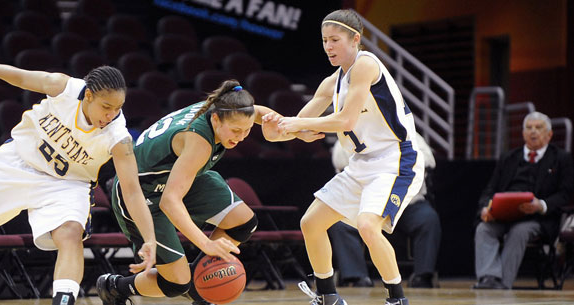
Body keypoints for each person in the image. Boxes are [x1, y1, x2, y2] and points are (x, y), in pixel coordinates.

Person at [0, 61, 157, 305]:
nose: (111, 115)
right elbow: (22, 77)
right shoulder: (65, 87)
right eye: (106, 107)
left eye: (118, 108)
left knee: (71, 234)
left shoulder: (118, 137)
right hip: (17, 164)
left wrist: (149, 238)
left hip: (67, 183)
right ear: (88, 96)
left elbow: (132, 191)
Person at [95, 80, 310, 305]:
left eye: (247, 130)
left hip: (175, 178)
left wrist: (294, 131)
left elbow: (259, 113)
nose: (242, 136)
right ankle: (114, 286)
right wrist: (206, 244)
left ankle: (201, 286)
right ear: (216, 119)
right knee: (176, 283)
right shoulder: (199, 141)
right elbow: (169, 201)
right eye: (236, 130)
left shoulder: (226, 106)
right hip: (141, 193)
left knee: (243, 223)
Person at [265, 9, 425, 305]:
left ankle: (397, 299)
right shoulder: (331, 83)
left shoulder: (366, 65)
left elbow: (345, 121)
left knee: (367, 225)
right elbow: (295, 124)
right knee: (310, 222)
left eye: (335, 40)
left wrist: (299, 126)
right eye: (325, 40)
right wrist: (273, 127)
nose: (328, 47)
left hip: (396, 159)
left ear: (356, 40)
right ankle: (327, 296)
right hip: (361, 164)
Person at [473, 111, 573, 289]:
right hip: (504, 215)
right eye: (529, 128)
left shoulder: (561, 159)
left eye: (538, 128)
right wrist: (485, 208)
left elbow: (566, 194)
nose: (533, 131)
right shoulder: (509, 157)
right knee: (484, 229)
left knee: (519, 231)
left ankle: (502, 283)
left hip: (538, 219)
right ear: (523, 133)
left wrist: (541, 205)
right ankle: (488, 278)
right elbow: (490, 189)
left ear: (549, 134)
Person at [328, 133, 441, 288]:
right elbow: (341, 165)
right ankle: (356, 277)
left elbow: (428, 161)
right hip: (363, 205)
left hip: (406, 203)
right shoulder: (350, 134)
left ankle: (423, 276)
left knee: (428, 218)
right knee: (341, 224)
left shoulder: (408, 132)